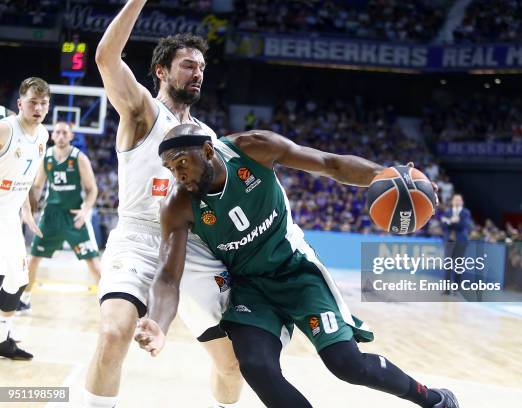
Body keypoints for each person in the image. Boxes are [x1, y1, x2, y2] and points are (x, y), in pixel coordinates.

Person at [135, 124, 460, 408]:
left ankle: (433, 399)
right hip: (250, 288)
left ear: (207, 151)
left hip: (297, 271)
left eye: (181, 163)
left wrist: (385, 178)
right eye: (169, 167)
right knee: (255, 365)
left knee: (346, 363)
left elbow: (330, 164)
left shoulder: (253, 148)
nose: (177, 174)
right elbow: (167, 276)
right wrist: (158, 323)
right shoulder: (178, 204)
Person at [85, 1, 242, 407]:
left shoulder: (207, 136)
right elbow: (105, 58)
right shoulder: (143, 112)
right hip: (138, 238)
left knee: (234, 362)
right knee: (113, 332)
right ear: (161, 71)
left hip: (189, 246)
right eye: (189, 65)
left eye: (202, 67)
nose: (198, 73)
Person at [18, 121, 101, 314]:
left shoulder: (79, 158)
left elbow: (92, 189)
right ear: (53, 136)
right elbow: (38, 186)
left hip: (74, 215)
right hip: (51, 216)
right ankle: (25, 299)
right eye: (58, 132)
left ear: (71, 136)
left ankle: (108, 301)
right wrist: (31, 207)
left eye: (65, 133)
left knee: (93, 263)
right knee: (33, 259)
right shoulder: (46, 157)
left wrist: (85, 210)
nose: (61, 135)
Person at [0, 77, 51, 359]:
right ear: (20, 103)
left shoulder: (43, 136)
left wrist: (27, 211)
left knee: (18, 280)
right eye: (33, 102)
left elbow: (26, 179)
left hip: (9, 216)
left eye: (44, 103)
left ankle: (2, 336)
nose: (38, 108)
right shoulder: (6, 129)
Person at [441, 194, 473, 294]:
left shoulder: (466, 212)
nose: (457, 201)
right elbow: (443, 226)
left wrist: (451, 222)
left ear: (462, 202)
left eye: (459, 200)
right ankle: (446, 289)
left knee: (458, 265)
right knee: (447, 265)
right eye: (455, 199)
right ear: (452, 201)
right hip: (449, 241)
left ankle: (456, 289)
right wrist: (451, 221)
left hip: (461, 242)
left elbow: (463, 225)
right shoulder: (447, 212)